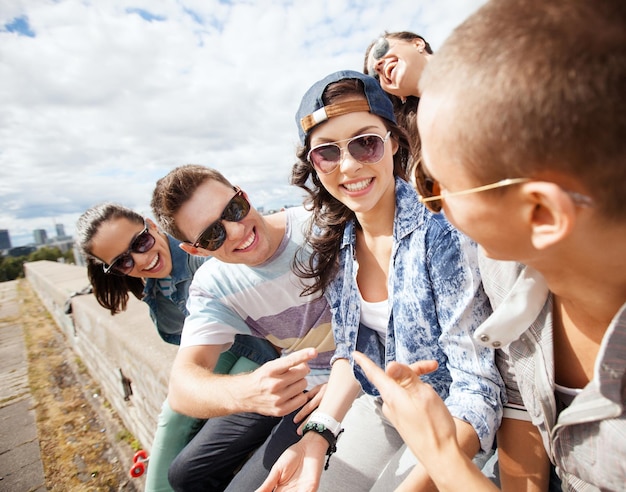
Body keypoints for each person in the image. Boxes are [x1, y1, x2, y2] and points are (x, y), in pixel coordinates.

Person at [355, 0, 626, 490]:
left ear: (540, 215)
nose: (426, 203)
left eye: (435, 186)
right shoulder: (503, 270)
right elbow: (523, 406)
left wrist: (442, 456)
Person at [257, 70, 504, 492]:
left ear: (392, 142)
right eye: (327, 153)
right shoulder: (336, 244)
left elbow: (477, 388)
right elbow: (354, 354)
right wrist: (319, 435)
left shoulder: (441, 232)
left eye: (365, 142)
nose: (349, 165)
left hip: (451, 422)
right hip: (381, 409)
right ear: (314, 167)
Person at [149, 164, 335, 491]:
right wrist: (248, 392)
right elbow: (181, 387)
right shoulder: (213, 284)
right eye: (212, 235)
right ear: (196, 250)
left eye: (234, 210)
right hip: (297, 385)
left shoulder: (322, 225)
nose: (236, 231)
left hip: (342, 382)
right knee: (184, 475)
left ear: (243, 195)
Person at [75, 203, 278, 492]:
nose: (142, 260)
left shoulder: (201, 253)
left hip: (262, 350)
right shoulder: (157, 290)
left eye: (140, 242)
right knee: (174, 419)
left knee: (186, 460)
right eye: (123, 262)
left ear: (152, 224)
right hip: (231, 348)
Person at [363, 31, 433, 161]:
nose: (377, 66)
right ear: (400, 96)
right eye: (376, 77)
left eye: (381, 49)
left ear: (418, 44)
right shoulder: (429, 150)